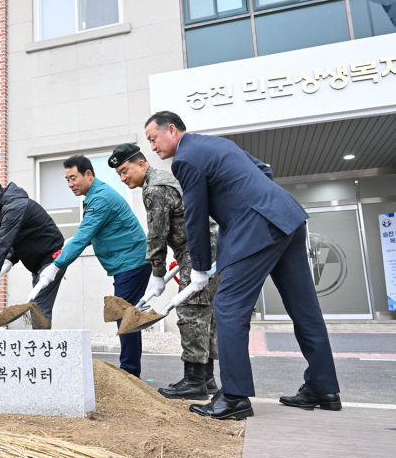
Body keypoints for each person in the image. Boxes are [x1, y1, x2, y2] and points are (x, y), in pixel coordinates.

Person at [145, 110, 341, 420]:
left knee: (228, 306)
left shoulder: (185, 159)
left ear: (171, 130)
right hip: (286, 216)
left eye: (153, 139)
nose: (152, 147)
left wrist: (198, 267)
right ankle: (324, 388)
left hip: (256, 228)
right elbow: (264, 171)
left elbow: (195, 216)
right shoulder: (218, 144)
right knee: (304, 308)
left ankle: (234, 396)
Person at [109, 143, 219, 400]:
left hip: (197, 252)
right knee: (205, 315)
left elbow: (157, 235)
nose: (124, 178)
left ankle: (194, 381)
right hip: (206, 249)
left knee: (191, 312)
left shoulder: (155, 189)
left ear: (141, 164)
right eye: (120, 175)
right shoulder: (166, 180)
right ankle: (207, 378)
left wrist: (157, 274)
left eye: (126, 171)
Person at [36, 155, 149, 377]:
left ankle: (129, 373)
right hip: (126, 264)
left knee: (123, 316)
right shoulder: (95, 196)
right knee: (128, 317)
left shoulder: (100, 199)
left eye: (73, 178)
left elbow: (84, 235)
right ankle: (131, 372)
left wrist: (56, 266)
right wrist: (66, 249)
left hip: (131, 263)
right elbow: (87, 234)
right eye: (66, 179)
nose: (70, 184)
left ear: (88, 174)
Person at [0, 173, 65, 328]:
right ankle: (39, 347)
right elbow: (19, 238)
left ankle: (41, 349)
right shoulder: (6, 207)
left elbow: (3, 243)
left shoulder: (14, 207)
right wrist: (9, 259)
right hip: (38, 262)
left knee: (39, 308)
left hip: (52, 259)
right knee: (37, 307)